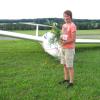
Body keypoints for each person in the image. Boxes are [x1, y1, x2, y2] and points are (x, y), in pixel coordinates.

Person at [59, 10, 77, 88]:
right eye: (64, 16)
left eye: (67, 16)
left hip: (69, 48)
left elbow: (73, 39)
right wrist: (60, 39)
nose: (65, 17)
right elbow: (62, 35)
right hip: (63, 48)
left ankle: (71, 82)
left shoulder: (73, 26)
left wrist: (65, 43)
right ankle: (66, 79)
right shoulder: (64, 25)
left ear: (70, 16)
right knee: (65, 65)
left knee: (70, 66)